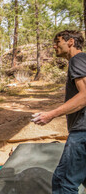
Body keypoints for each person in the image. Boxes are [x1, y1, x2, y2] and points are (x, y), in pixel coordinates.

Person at [31, 30, 86, 193]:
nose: (54, 46)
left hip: (82, 131)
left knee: (63, 182)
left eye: (58, 41)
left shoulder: (78, 59)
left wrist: (50, 115)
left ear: (70, 42)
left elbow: (84, 96)